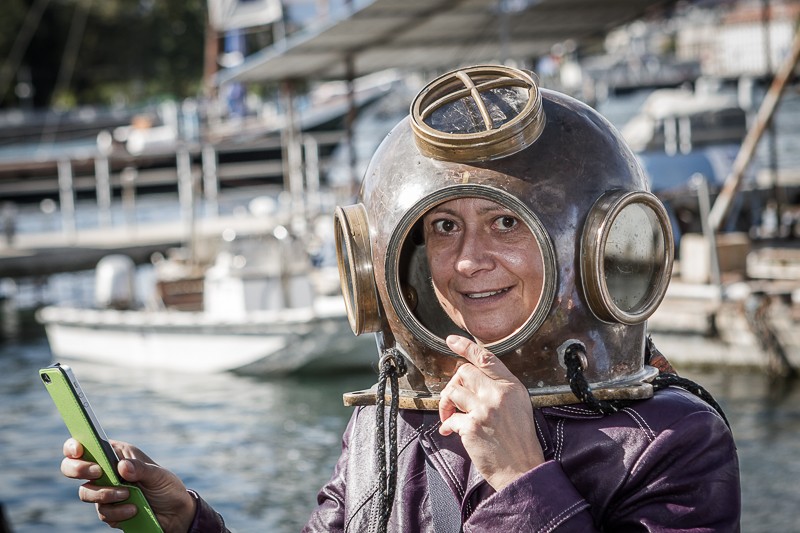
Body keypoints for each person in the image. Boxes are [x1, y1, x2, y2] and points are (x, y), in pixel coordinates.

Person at [59, 65, 741, 532]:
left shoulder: (670, 441)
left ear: (588, 245)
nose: (470, 260)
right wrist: (187, 521)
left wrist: (519, 477)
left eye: (507, 222)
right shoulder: (386, 425)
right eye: (445, 226)